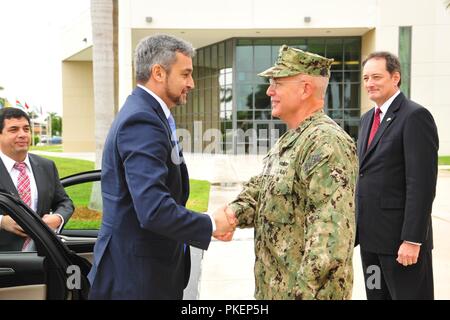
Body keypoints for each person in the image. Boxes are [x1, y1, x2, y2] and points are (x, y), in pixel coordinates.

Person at [87, 34, 235, 300]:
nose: (191, 83)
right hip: (137, 281)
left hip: (143, 273)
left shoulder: (148, 113)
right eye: (185, 74)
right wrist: (210, 223)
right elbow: (153, 209)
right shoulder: (142, 120)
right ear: (158, 72)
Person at [224, 45, 359, 299]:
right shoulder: (292, 140)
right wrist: (232, 213)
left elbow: (329, 239)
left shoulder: (326, 143)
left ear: (305, 88)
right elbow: (263, 189)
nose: (269, 91)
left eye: (278, 83)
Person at [356, 51, 438, 300]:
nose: (370, 83)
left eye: (377, 76)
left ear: (395, 78)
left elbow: (421, 184)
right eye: (366, 77)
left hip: (401, 245)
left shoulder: (414, 117)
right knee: (376, 296)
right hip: (370, 243)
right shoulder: (367, 119)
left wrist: (413, 240)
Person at [0, 107, 74, 251]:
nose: (23, 134)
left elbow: (64, 202)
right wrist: (2, 222)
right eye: (14, 130)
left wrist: (58, 218)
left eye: (26, 129)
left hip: (43, 256)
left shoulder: (47, 166)